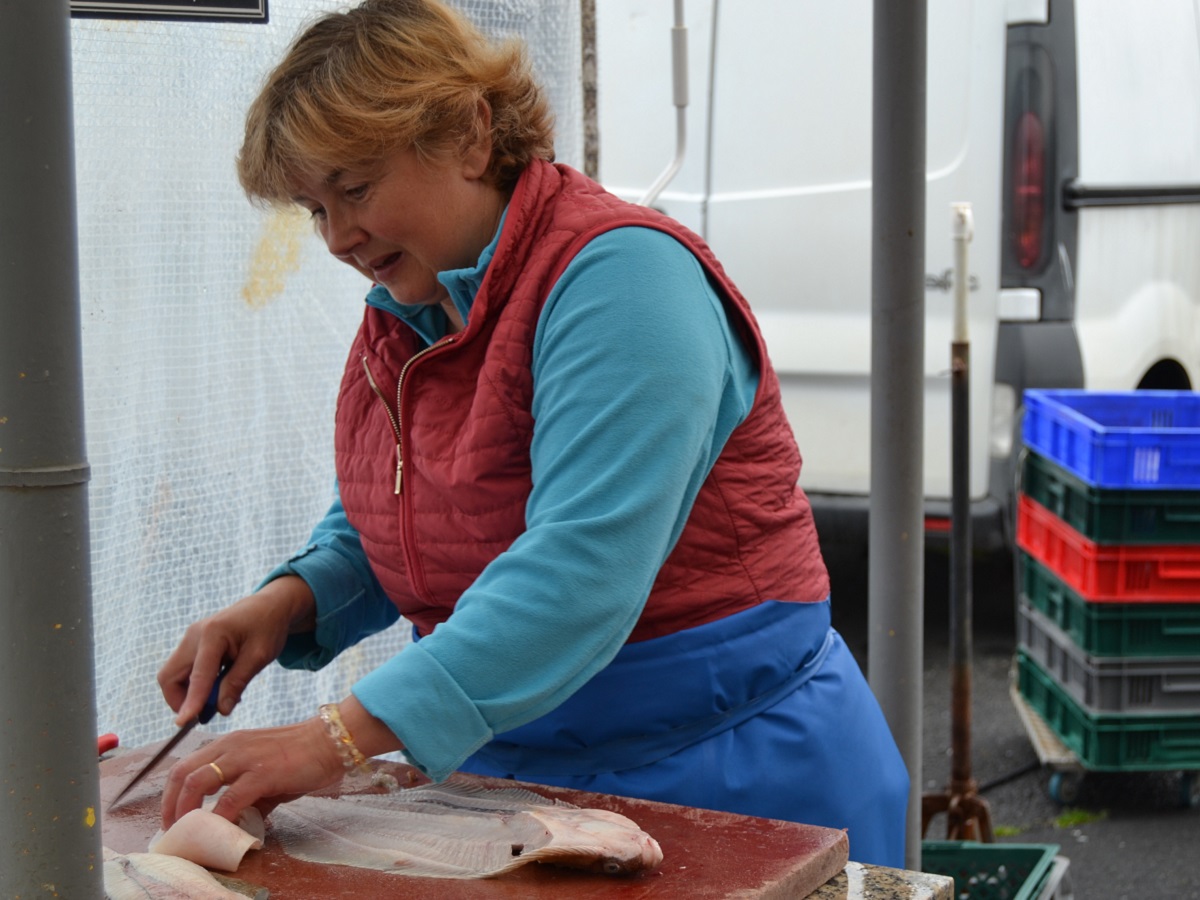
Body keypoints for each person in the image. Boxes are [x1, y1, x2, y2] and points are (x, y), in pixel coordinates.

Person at [157, 0, 909, 868]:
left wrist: (334, 738)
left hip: (730, 779)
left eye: (355, 190)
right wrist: (284, 604)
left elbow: (580, 569)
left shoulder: (625, 279)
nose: (336, 238)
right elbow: (406, 517)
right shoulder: (411, 310)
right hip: (521, 784)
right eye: (312, 209)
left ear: (471, 136)